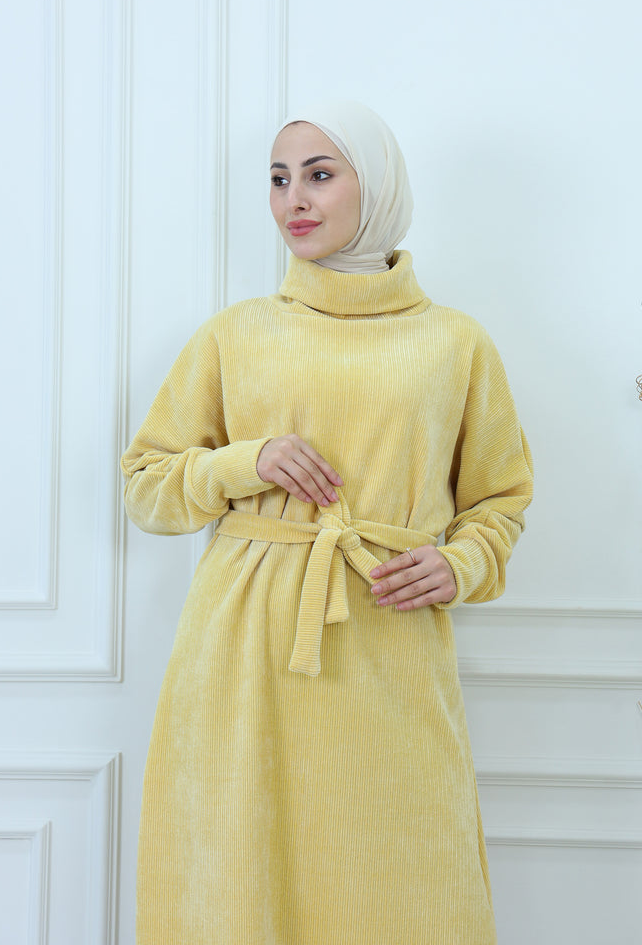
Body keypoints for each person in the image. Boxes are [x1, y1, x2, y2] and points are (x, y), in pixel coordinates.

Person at [121, 100, 533, 945]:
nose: (293, 200)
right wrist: (246, 462)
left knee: (409, 880)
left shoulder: (455, 344)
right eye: (278, 179)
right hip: (243, 649)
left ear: (375, 186)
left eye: (319, 174)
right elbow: (146, 486)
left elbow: (500, 499)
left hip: (388, 638)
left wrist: (459, 565)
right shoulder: (235, 335)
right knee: (241, 876)